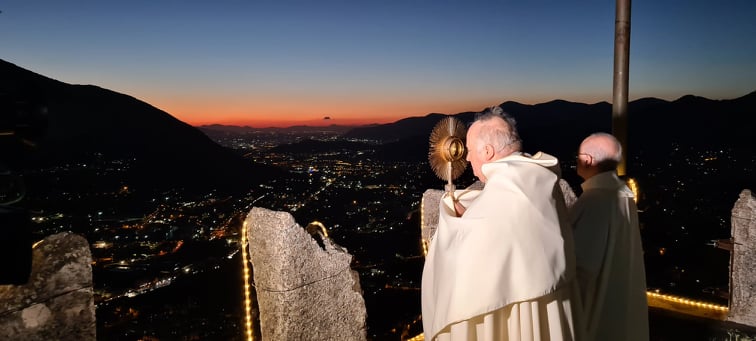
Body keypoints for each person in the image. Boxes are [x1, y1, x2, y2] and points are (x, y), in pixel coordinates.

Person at [421, 107, 581, 341]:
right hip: (550, 303)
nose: (466, 158)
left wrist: (453, 222)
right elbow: (505, 229)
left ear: (487, 151)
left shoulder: (506, 188)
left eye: (471, 150)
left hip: (513, 311)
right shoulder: (538, 176)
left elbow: (471, 258)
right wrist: (472, 217)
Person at [570, 132, 649, 341]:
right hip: (621, 305)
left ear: (587, 160)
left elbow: (581, 267)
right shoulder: (624, 196)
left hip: (594, 312)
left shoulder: (594, 201)